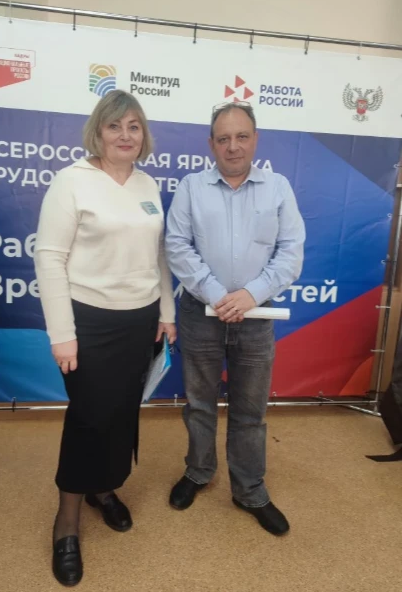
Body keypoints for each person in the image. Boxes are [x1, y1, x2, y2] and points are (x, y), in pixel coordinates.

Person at [34, 90, 176, 586]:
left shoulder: (147, 183)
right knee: (89, 418)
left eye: (134, 126)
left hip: (140, 321)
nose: (125, 135)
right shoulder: (71, 181)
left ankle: (103, 488)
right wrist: (62, 334)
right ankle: (66, 522)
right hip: (88, 322)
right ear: (98, 131)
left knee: (121, 413)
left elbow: (159, 256)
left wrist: (166, 311)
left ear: (143, 135)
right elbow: (49, 257)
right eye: (115, 126)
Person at [165, 101, 305, 536]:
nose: (233, 146)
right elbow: (177, 245)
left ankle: (249, 490)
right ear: (211, 144)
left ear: (255, 139)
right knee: (199, 405)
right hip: (200, 314)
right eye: (223, 138)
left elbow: (291, 253)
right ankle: (198, 471)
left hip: (256, 317)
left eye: (242, 136)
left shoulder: (278, 187)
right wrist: (216, 294)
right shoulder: (191, 187)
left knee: (250, 410)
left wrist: (249, 295)